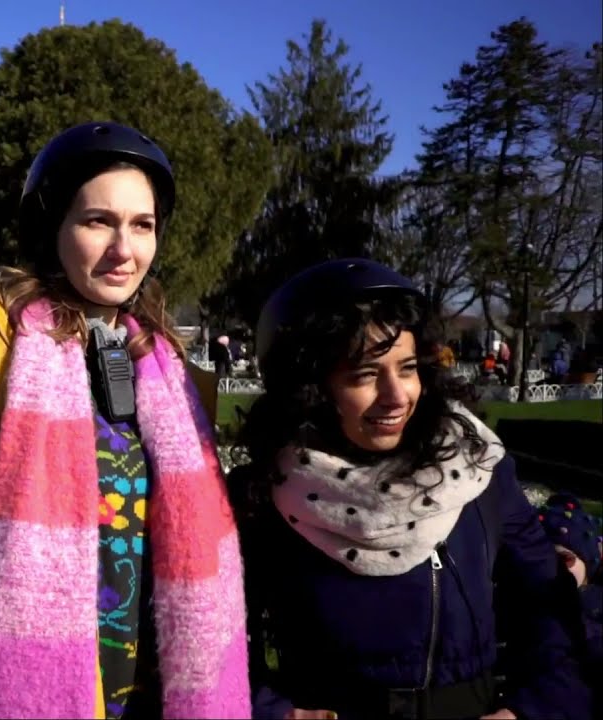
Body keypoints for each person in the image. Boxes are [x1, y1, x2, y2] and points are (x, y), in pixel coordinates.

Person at [0, 121, 248, 720]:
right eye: (98, 221)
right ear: (53, 228)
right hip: (28, 695)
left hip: (157, 698)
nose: (123, 250)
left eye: (142, 226)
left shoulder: (172, 373)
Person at [229, 258, 590, 719]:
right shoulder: (264, 496)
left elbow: (549, 610)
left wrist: (529, 708)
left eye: (407, 368)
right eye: (363, 374)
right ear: (310, 388)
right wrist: (273, 712)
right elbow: (212, 643)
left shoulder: (479, 472)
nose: (397, 395)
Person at [538, 492, 602, 719]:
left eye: (565, 559)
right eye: (545, 558)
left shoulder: (594, 612)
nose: (556, 568)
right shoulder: (525, 604)